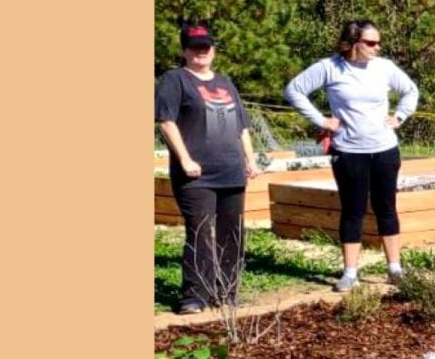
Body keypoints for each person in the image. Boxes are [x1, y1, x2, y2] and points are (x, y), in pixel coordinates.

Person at [284, 21, 421, 294]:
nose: (377, 47)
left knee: (386, 208)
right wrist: (321, 120)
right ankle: (350, 273)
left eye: (378, 42)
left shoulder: (384, 67)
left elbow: (411, 91)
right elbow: (293, 90)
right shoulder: (329, 67)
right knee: (352, 211)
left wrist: (400, 116)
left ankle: (395, 269)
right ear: (353, 43)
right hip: (348, 152)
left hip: (384, 149)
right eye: (371, 43)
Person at [156, 21, 261, 315]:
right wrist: (185, 159)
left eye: (206, 46)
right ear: (184, 50)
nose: (201, 51)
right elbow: (166, 121)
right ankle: (194, 295)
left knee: (232, 233)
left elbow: (242, 126)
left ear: (214, 50)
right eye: (194, 46)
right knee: (200, 232)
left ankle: (226, 290)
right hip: (196, 174)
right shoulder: (175, 80)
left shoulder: (225, 82)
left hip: (231, 171)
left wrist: (250, 160)